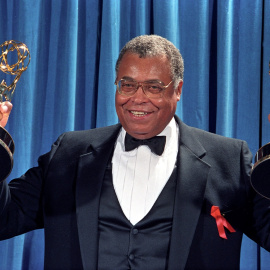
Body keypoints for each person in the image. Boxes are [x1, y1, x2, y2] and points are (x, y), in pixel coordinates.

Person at [0, 35, 270, 270]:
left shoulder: (229, 159)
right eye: (127, 85)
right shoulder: (68, 153)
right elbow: (5, 219)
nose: (137, 98)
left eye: (154, 87)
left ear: (177, 90)